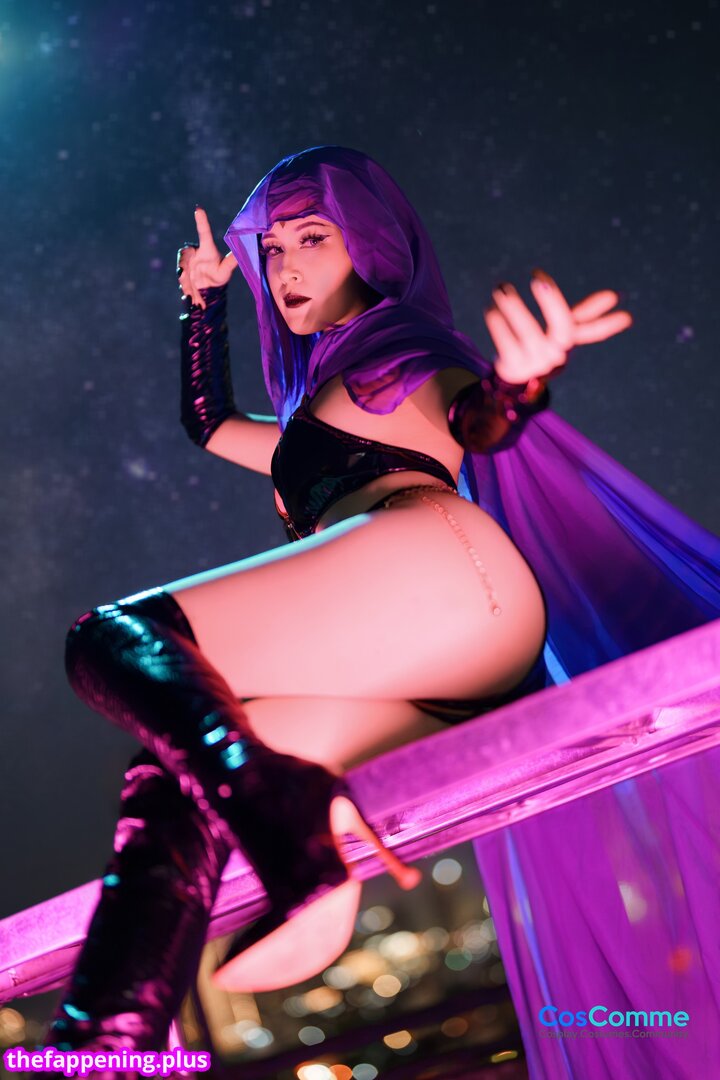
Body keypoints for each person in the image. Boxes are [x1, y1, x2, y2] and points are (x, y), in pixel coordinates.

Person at [42, 145, 716, 1063]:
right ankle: (103, 1045)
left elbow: (473, 417)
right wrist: (201, 304)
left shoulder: (400, 347)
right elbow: (210, 425)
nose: (284, 265)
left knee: (115, 640)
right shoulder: (314, 405)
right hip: (437, 649)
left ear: (364, 243)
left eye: (311, 238)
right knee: (173, 775)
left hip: (444, 577)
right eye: (272, 248)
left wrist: (518, 385)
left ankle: (292, 830)